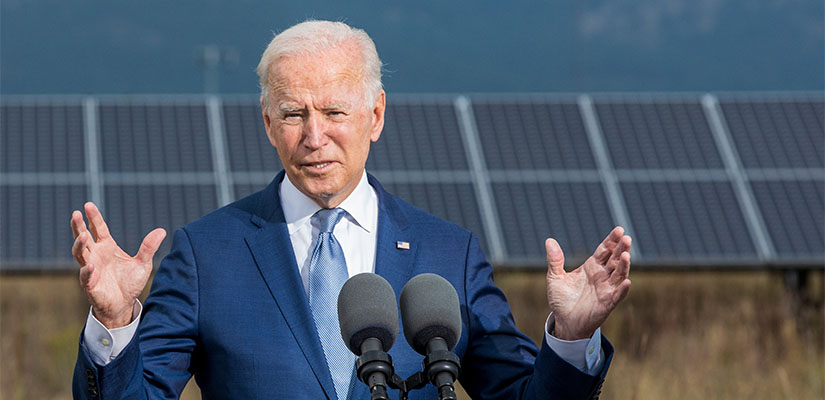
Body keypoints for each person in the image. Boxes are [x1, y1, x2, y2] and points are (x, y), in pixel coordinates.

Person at [71, 20, 632, 400]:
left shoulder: (449, 254)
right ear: (268, 123)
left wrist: (569, 337)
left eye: (335, 111)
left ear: (376, 115)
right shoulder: (206, 254)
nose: (315, 136)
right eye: (293, 114)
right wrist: (116, 322)